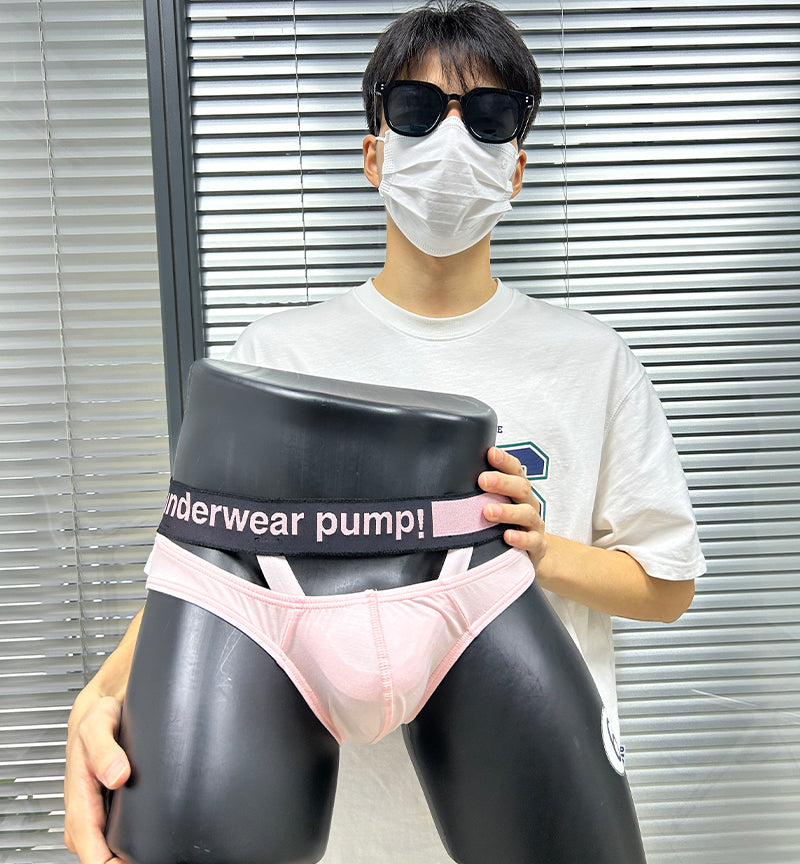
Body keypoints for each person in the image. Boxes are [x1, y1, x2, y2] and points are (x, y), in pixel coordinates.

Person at [63, 2, 705, 863]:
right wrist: (103, 692)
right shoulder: (278, 357)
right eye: (416, 110)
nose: (451, 141)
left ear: (516, 168)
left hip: (526, 770)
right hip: (340, 818)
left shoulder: (593, 363)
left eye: (488, 118)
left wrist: (538, 549)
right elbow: (205, 573)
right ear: (374, 154)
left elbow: (666, 585)